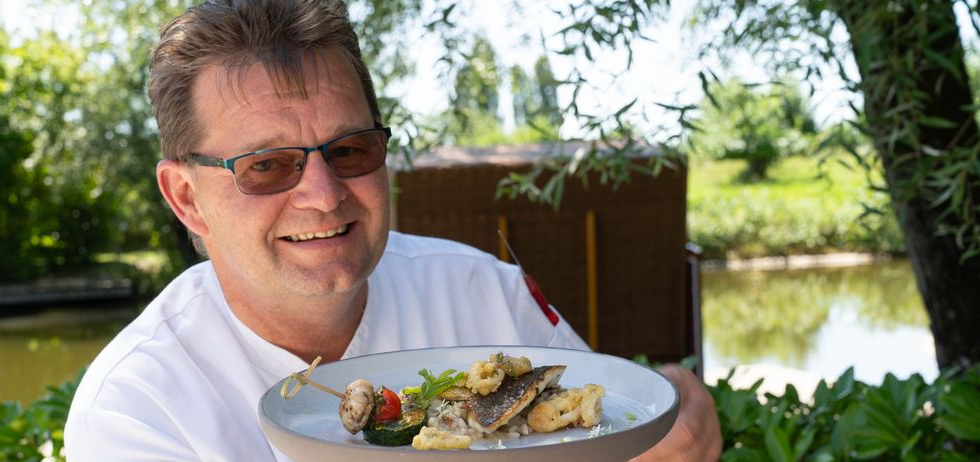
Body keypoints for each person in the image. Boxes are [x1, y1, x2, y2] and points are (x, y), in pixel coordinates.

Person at [63, 0, 722, 460]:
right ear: (186, 198)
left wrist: (672, 430)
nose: (323, 196)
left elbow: (599, 426)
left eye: (349, 150)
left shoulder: (482, 295)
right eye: (266, 166)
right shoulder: (137, 409)